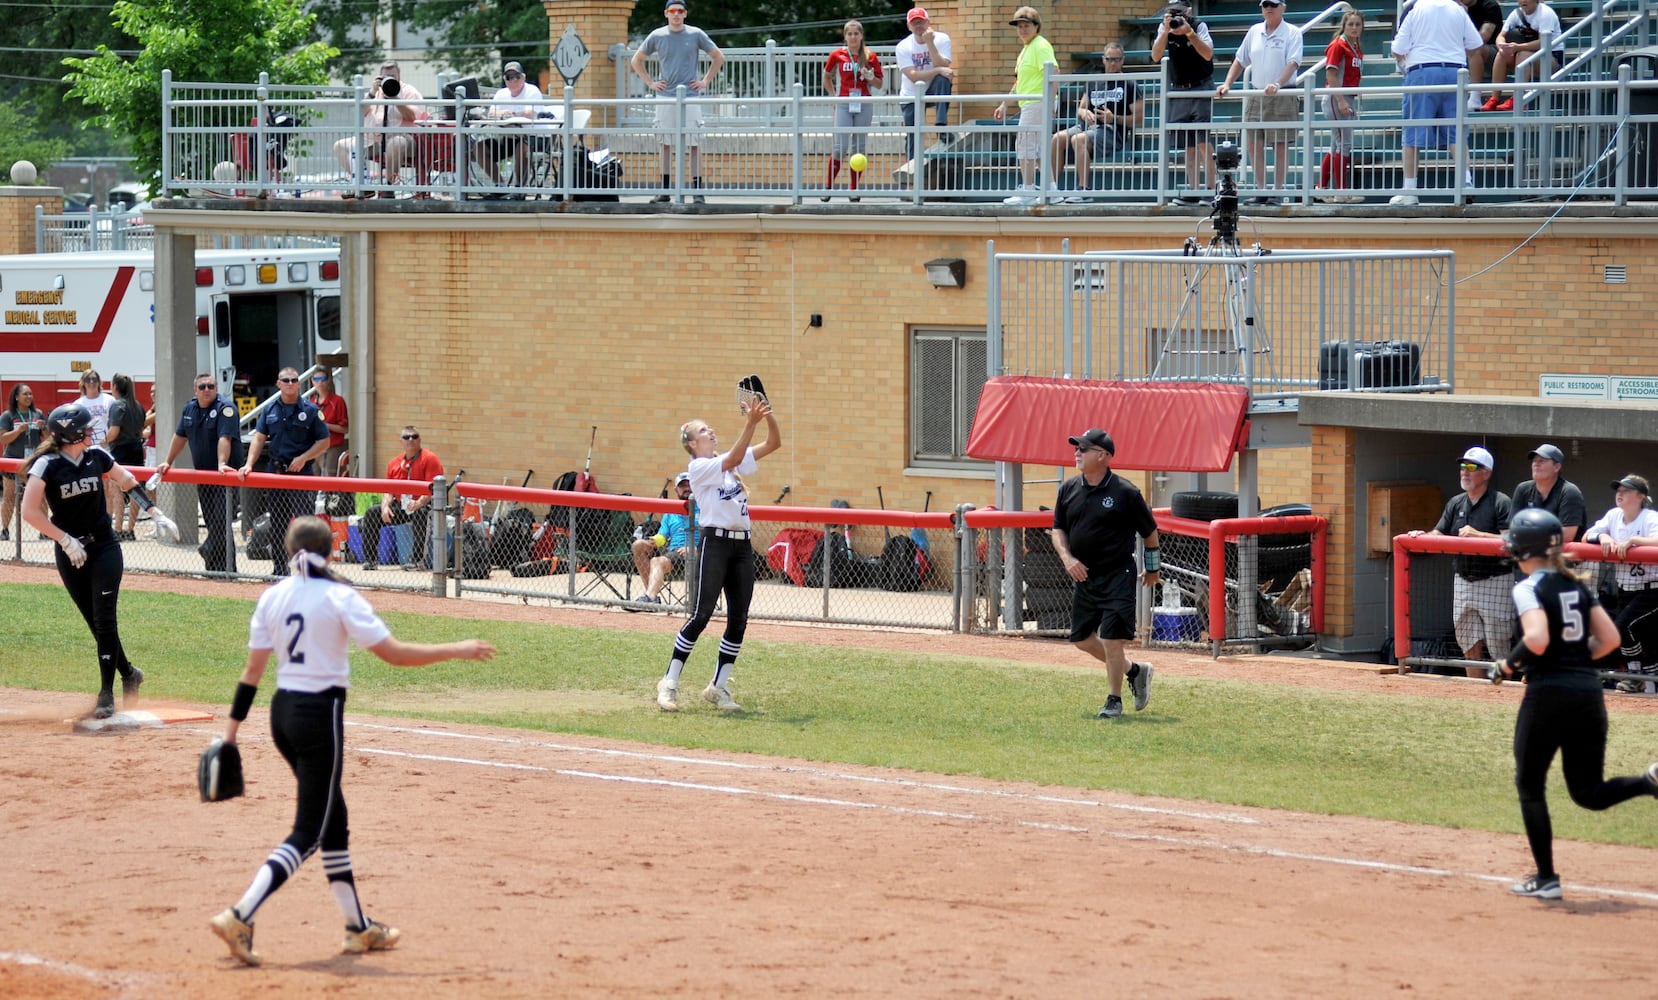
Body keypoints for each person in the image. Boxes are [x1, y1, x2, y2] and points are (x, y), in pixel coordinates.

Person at [207, 515, 496, 967]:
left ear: (288, 551)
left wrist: (230, 736)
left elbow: (251, 675)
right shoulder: (340, 595)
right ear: (333, 549)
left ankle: (357, 927)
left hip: (282, 714)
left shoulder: (272, 596)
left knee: (333, 822)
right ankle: (240, 913)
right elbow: (394, 655)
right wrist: (455, 648)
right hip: (320, 717)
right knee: (307, 832)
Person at [1489, 508, 1658, 901]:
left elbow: (1537, 639)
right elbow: (1611, 640)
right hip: (1588, 693)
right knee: (1587, 792)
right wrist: (1577, 661)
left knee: (1529, 784)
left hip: (1548, 693)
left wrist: (1507, 664)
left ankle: (1546, 878)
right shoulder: (1577, 586)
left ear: (1524, 550)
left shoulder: (1528, 587)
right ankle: (1650, 782)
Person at [19, 403, 178, 719]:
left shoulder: (97, 457)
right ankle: (130, 673)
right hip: (72, 552)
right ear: (70, 433)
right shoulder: (46, 466)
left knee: (105, 619)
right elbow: (29, 512)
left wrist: (154, 512)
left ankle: (107, 693)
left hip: (104, 546)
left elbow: (127, 480)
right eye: (86, 429)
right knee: (96, 623)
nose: (93, 432)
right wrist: (63, 539)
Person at [655, 394, 782, 713]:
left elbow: (774, 443)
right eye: (703, 431)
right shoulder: (698, 467)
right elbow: (732, 457)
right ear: (692, 444)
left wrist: (766, 414)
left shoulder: (729, 461)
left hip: (741, 545)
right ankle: (669, 682)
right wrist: (749, 422)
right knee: (700, 616)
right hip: (716, 543)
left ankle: (718, 687)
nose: (710, 432)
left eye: (709, 428)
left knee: (739, 619)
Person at [1050, 428, 1158, 719]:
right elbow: (1058, 529)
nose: (1077, 453)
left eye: (1083, 449)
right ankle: (1135, 671)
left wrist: (1154, 567)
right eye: (1076, 448)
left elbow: (1150, 533)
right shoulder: (1068, 489)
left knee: (1111, 640)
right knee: (1082, 640)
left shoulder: (1125, 492)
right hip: (1085, 576)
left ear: (1103, 455)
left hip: (1118, 574)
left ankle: (1114, 701)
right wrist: (1067, 558)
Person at [1410, 446, 1513, 675]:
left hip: (1495, 581)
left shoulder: (1501, 502)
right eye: (1462, 467)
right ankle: (1475, 692)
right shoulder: (1456, 503)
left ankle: (1504, 694)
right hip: (1464, 580)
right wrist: (1420, 536)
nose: (1464, 472)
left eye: (1471, 467)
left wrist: (1479, 535)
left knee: (1499, 646)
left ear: (1486, 473)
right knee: (1468, 641)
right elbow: (1439, 533)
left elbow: (1512, 540)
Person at [631, 0, 725, 205]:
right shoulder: (657, 35)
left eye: (680, 11)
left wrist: (705, 81)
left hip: (690, 96)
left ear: (685, 14)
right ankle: (664, 190)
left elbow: (718, 57)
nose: (676, 14)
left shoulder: (695, 34)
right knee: (665, 143)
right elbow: (636, 60)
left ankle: (697, 191)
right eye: (672, 11)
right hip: (666, 96)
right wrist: (650, 83)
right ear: (666, 13)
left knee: (694, 144)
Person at [1389, 0, 1483, 205]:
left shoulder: (1415, 9)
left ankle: (1410, 190)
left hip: (1422, 72)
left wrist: (1405, 62)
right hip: (1455, 72)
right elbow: (1475, 45)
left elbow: (1398, 47)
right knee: (1456, 132)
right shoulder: (1458, 9)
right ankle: (1465, 182)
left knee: (1413, 132)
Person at [239, 367, 330, 577]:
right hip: (276, 473)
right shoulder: (270, 409)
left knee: (305, 524)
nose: (290, 383)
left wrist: (304, 458)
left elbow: (324, 441)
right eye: (285, 380)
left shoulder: (310, 410)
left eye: (294, 380)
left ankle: (310, 569)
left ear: (299, 384)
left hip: (301, 473)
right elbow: (259, 438)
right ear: (278, 384)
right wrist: (249, 464)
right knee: (278, 524)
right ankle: (280, 569)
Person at [156, 374, 246, 573]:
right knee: (212, 521)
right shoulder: (190, 408)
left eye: (211, 386)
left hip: (225, 477)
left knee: (221, 520)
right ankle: (217, 568)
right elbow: (180, 437)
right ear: (195, 390)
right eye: (203, 386)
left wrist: (222, 463)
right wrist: (167, 461)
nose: (207, 390)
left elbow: (225, 438)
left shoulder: (226, 408)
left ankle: (223, 564)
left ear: (216, 388)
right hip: (203, 476)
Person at [1218, 0, 1303, 206]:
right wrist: (1227, 83)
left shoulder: (1292, 32)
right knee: (1253, 143)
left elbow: (1293, 63)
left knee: (1280, 144)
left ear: (1283, 7)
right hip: (1257, 92)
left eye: (1273, 4)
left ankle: (1277, 190)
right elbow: (1240, 59)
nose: (1269, 8)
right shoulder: (1254, 31)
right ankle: (1261, 189)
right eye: (1265, 4)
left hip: (1282, 94)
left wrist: (1277, 84)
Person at [1583, 475, 1658, 692]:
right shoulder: (1614, 515)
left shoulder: (1650, 518)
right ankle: (1645, 686)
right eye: (1619, 489)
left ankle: (1634, 676)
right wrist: (1603, 538)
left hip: (1651, 589)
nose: (1620, 494)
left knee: (1621, 628)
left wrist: (1635, 541)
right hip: (1625, 589)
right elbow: (1587, 536)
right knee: (1646, 643)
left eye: (1626, 490)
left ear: (1640, 496)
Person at [1052, 42, 1144, 202]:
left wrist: (1114, 118)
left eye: (1117, 59)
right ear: (1103, 60)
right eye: (1109, 59)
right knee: (1056, 138)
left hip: (1112, 132)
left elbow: (1139, 118)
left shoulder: (1129, 84)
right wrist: (1085, 113)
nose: (1113, 63)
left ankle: (1084, 190)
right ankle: (1051, 189)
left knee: (1078, 139)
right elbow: (1080, 109)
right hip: (1088, 127)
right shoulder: (1095, 81)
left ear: (1123, 61)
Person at [1152, 0, 1217, 204]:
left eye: (1179, 12)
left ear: (1188, 11)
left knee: (1202, 141)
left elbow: (1208, 53)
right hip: (1179, 89)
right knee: (1188, 146)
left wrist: (1189, 33)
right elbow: (1155, 56)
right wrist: (1165, 31)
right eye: (1172, 12)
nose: (1176, 16)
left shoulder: (1199, 26)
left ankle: (1211, 189)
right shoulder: (1165, 27)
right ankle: (1193, 190)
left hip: (1201, 86)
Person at [356, 426, 442, 572]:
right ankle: (370, 560)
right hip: (402, 505)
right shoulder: (394, 463)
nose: (411, 440)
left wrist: (419, 503)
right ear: (401, 441)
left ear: (420, 440)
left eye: (414, 437)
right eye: (407, 437)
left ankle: (416, 561)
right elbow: (388, 490)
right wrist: (385, 507)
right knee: (372, 513)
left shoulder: (429, 459)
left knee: (421, 514)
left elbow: (432, 489)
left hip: (423, 505)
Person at [995, 6, 1058, 206]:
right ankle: (1051, 190)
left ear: (1036, 26)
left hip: (1037, 103)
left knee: (1025, 146)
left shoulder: (1040, 46)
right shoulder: (1026, 49)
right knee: (1038, 150)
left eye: (1026, 25)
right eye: (1019, 26)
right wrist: (1005, 104)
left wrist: (1052, 101)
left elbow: (1054, 73)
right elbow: (1018, 82)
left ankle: (1029, 190)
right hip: (1032, 103)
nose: (1022, 30)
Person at [334, 62, 424, 196]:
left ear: (399, 76)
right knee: (340, 146)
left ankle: (388, 188)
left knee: (396, 143)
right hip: (371, 139)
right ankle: (363, 185)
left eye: (392, 76)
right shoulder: (375, 92)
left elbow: (412, 116)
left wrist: (395, 98)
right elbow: (360, 113)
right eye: (385, 77)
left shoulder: (408, 91)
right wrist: (372, 92)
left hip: (402, 138)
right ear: (379, 77)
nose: (389, 79)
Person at [820, 20, 884, 203]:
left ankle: (854, 189)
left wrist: (871, 77)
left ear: (861, 36)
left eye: (856, 34)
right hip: (844, 103)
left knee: (859, 148)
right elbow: (826, 76)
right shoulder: (837, 55)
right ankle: (828, 187)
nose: (853, 37)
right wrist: (833, 96)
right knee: (839, 147)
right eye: (850, 34)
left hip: (863, 103)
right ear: (845, 36)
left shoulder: (870, 56)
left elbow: (880, 84)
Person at [1316, 7, 1366, 202]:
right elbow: (1330, 74)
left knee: (1336, 145)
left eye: (1358, 24)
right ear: (1344, 26)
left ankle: (1322, 187)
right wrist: (1341, 100)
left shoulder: (1355, 46)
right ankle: (1341, 192)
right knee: (1344, 144)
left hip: (1347, 97)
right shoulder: (1338, 45)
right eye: (1350, 24)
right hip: (1337, 98)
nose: (1354, 27)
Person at [473, 61, 546, 191]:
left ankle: (520, 188)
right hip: (508, 137)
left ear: (523, 77)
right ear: (505, 80)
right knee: (479, 148)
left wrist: (512, 114)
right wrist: (501, 113)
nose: (513, 80)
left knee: (522, 147)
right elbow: (491, 112)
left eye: (516, 76)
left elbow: (530, 113)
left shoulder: (532, 91)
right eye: (509, 77)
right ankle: (500, 185)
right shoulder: (501, 93)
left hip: (533, 137)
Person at [894, 7, 955, 160]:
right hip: (911, 95)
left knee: (943, 79)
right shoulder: (903, 46)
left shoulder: (942, 38)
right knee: (913, 135)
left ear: (928, 22)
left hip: (933, 89)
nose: (918, 26)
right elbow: (913, 76)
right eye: (914, 23)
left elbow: (944, 66)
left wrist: (930, 44)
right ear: (909, 26)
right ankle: (912, 170)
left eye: (921, 22)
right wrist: (938, 70)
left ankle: (941, 126)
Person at [1480, 0, 1564, 111]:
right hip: (1525, 57)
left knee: (1523, 54)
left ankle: (1518, 99)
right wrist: (1502, 46)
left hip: (1551, 58)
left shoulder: (1545, 13)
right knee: (1502, 54)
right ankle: (1494, 98)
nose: (1523, 1)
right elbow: (1501, 35)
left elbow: (1543, 43)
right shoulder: (1516, 13)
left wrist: (1518, 47)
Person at [633, 472, 697, 606]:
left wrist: (697, 548)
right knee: (638, 545)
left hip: (699, 554)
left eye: (690, 484)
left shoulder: (706, 509)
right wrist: (655, 540)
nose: (687, 488)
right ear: (676, 490)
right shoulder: (670, 511)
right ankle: (651, 597)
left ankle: (649, 598)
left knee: (657, 561)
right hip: (675, 555)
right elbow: (663, 536)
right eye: (682, 485)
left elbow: (713, 536)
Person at [1511, 443, 1587, 544]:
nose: (1536, 464)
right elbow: (1513, 528)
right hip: (1529, 554)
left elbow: (1567, 535)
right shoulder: (1523, 489)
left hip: (1561, 556)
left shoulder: (1569, 492)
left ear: (1556, 467)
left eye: (1542, 461)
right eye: (1534, 461)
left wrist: (1529, 539)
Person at [1, 383, 46, 541]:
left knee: (40, 495)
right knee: (9, 496)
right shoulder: (8, 416)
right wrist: (18, 430)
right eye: (25, 394)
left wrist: (44, 428)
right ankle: (5, 529)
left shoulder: (38, 413)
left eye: (30, 394)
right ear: (16, 397)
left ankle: (44, 530)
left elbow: (47, 438)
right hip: (12, 462)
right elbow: (3, 438)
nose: (29, 397)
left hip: (33, 462)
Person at [105, 373, 147, 540]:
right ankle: (130, 529)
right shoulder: (137, 406)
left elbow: (114, 432)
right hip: (136, 449)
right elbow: (141, 429)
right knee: (134, 490)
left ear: (115, 387)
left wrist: (102, 440)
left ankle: (117, 529)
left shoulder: (117, 406)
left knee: (117, 491)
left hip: (120, 451)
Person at [311, 370, 349, 509]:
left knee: (331, 480)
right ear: (312, 381)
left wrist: (326, 425)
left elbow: (345, 429)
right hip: (316, 448)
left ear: (328, 380)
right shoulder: (312, 402)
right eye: (317, 378)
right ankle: (316, 511)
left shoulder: (337, 401)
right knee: (313, 480)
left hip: (333, 446)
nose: (320, 382)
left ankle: (334, 511)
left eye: (323, 378)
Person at [1461, 0, 1504, 109]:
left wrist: (1464, 15)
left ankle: (1475, 97)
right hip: (1463, 51)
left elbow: (1483, 38)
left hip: (1494, 54)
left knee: (1475, 49)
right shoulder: (1454, 8)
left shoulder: (1490, 6)